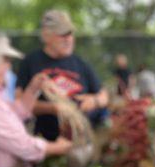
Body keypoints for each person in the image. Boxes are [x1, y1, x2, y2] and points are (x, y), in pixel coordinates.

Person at [0, 31, 72, 167]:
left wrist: (33, 88)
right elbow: (23, 146)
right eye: (6, 60)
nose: (9, 66)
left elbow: (17, 112)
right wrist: (57, 147)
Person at [16, 9, 109, 142]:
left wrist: (94, 101)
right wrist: (53, 108)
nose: (68, 39)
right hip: (44, 141)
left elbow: (103, 95)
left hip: (81, 139)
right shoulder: (30, 62)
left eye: (70, 33)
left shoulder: (81, 63)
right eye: (62, 34)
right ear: (46, 36)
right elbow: (19, 102)